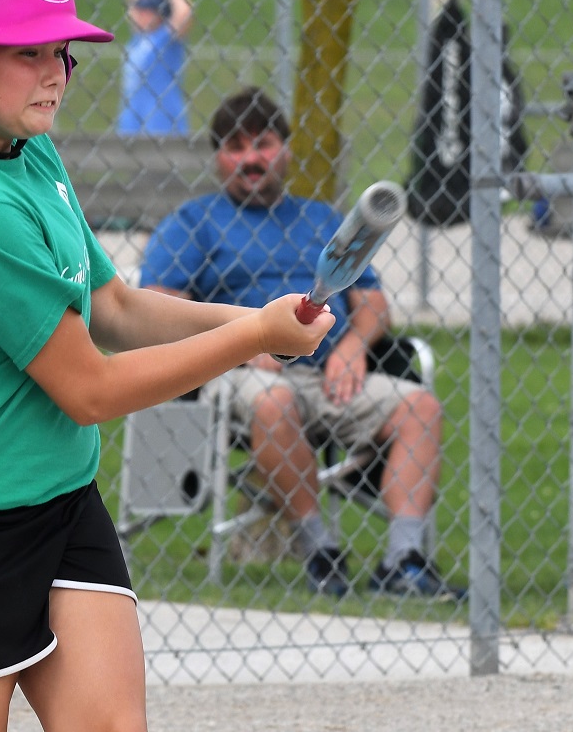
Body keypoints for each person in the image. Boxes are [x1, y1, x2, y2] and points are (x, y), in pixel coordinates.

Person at [0, 0, 332, 732]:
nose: (57, 73)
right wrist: (248, 340)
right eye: (28, 53)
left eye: (62, 52)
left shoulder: (25, 154)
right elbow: (92, 388)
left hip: (56, 501)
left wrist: (256, 321)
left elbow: (116, 306)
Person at [139, 87, 464, 601]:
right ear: (219, 157)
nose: (250, 159)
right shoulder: (193, 223)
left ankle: (403, 562)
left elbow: (373, 303)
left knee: (420, 406)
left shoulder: (319, 219)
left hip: (327, 372)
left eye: (263, 144)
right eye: (235, 146)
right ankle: (319, 550)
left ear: (286, 150)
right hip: (241, 376)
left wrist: (354, 346)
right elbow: (159, 306)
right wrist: (244, 343)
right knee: (275, 400)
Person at [116, 0, 193, 136]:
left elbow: (184, 12)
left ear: (159, 14)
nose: (140, 15)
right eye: (139, 10)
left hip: (163, 121)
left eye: (147, 11)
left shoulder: (166, 38)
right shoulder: (137, 39)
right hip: (132, 122)